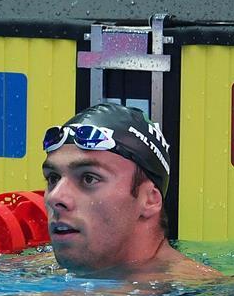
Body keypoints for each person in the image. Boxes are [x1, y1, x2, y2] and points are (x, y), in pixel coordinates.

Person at [41, 103, 221, 280]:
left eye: (89, 178)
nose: (56, 197)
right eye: (53, 178)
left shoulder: (201, 295)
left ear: (150, 200)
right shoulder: (36, 268)